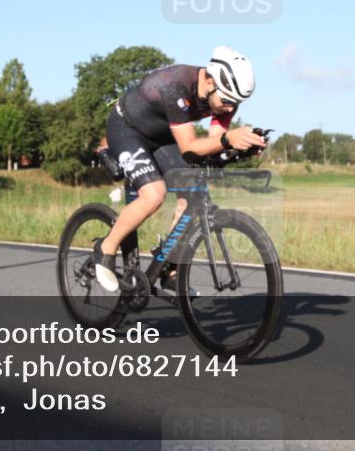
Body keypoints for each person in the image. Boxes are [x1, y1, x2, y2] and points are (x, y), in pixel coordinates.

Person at [93, 46, 266, 291]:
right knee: (154, 195)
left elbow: (213, 144)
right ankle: (105, 248)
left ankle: (169, 267)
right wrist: (229, 139)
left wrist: (243, 148)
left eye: (236, 103)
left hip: (162, 137)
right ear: (209, 80)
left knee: (194, 193)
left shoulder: (226, 97)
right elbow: (190, 148)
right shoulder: (175, 85)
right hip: (127, 128)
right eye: (227, 101)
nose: (230, 109)